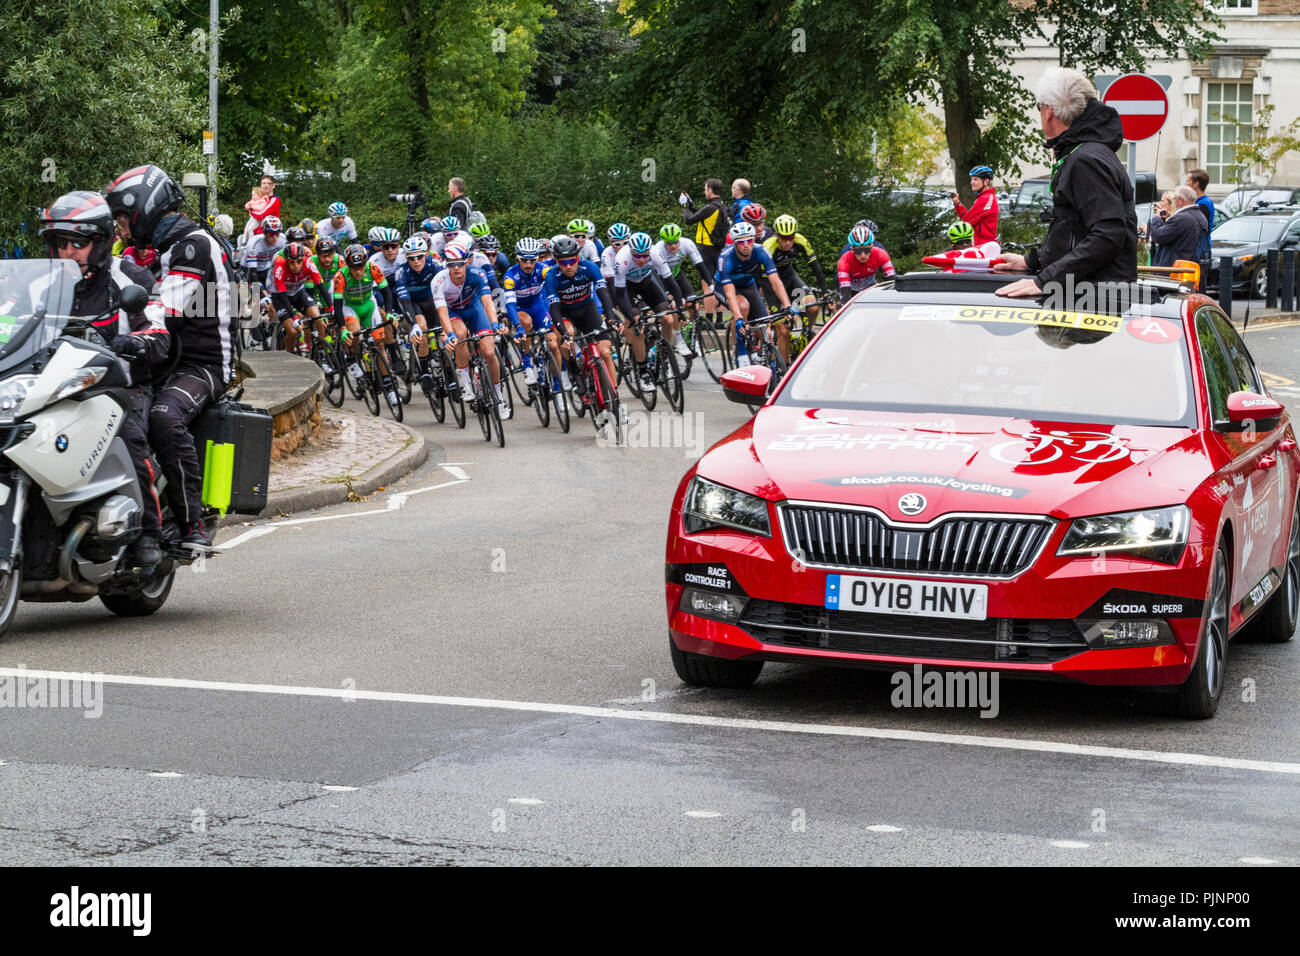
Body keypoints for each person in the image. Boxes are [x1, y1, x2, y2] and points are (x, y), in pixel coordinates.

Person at [106, 165, 235, 552]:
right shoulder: (164, 248)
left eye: (124, 218)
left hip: (204, 364)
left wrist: (135, 338)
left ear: (145, 209)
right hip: (170, 360)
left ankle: (191, 522)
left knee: (164, 416)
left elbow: (166, 309)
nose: (122, 229)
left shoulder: (193, 245)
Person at [39, 191, 170, 568]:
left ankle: (149, 530)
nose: (68, 251)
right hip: (55, 390)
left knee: (129, 438)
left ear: (100, 241)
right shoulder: (42, 285)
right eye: (60, 243)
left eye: (78, 242)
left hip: (120, 389)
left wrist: (134, 339)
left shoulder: (129, 276)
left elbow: (159, 333)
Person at [995, 68, 1137, 298]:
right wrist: (1034, 261)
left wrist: (1046, 281)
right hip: (1090, 292)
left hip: (1090, 299)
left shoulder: (1085, 160)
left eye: (1038, 107)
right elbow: (1075, 229)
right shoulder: (1087, 153)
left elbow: (1107, 235)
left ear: (1048, 111)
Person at [433, 241, 510, 421]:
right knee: (459, 334)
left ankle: (499, 399)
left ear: (467, 261)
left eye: (460, 263)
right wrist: (449, 333)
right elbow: (442, 312)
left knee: (489, 353)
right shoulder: (439, 281)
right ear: (447, 265)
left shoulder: (478, 274)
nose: (456, 268)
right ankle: (466, 383)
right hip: (453, 312)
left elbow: (487, 301)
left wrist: (494, 323)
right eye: (451, 264)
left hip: (473, 309)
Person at [679, 178, 731, 326]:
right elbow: (699, 216)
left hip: (706, 249)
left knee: (707, 285)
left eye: (705, 188)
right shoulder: (720, 206)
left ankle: (708, 320)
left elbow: (689, 220)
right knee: (717, 283)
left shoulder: (710, 207)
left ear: (709, 190)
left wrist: (684, 207)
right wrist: (691, 206)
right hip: (719, 248)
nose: (704, 191)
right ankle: (719, 319)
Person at [1145, 186, 1208, 268]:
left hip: (1174, 271)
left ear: (1181, 200)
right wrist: (1169, 217)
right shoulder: (1200, 216)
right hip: (1191, 267)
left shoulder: (1182, 218)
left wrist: (1157, 218)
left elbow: (1158, 236)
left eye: (1175, 199)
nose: (1174, 202)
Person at [836, 224, 896, 302]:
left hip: (870, 287)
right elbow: (846, 293)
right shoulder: (845, 260)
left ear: (872, 247)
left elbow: (892, 281)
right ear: (852, 249)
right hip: (851, 289)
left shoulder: (880, 254)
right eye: (858, 251)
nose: (863, 255)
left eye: (867, 250)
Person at [949, 165, 999, 245]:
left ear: (986, 181)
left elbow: (967, 222)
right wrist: (957, 203)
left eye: (975, 179)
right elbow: (968, 220)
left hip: (983, 246)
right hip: (983, 245)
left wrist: (958, 205)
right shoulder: (985, 197)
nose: (971, 182)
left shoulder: (985, 198)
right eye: (971, 179)